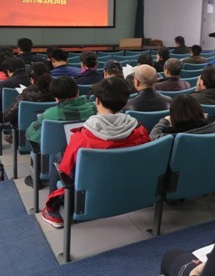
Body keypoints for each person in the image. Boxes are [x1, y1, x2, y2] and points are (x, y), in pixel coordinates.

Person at [42, 77, 151, 228]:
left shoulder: (82, 139)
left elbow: (66, 169)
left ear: (97, 101)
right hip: (130, 188)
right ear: (125, 102)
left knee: (59, 158)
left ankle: (53, 212)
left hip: (93, 195)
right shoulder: (141, 131)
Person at [24, 76, 97, 187]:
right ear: (77, 91)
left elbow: (31, 135)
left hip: (59, 161)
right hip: (91, 157)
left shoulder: (49, 114)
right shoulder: (95, 108)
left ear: (56, 97)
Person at [150, 95, 215, 139]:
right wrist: (205, 116)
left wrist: (165, 120)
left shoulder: (170, 135)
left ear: (174, 115)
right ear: (199, 109)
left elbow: (153, 137)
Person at [4, 62, 54, 128]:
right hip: (53, 128)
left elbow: (8, 115)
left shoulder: (26, 94)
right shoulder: (58, 91)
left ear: (32, 80)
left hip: (29, 130)